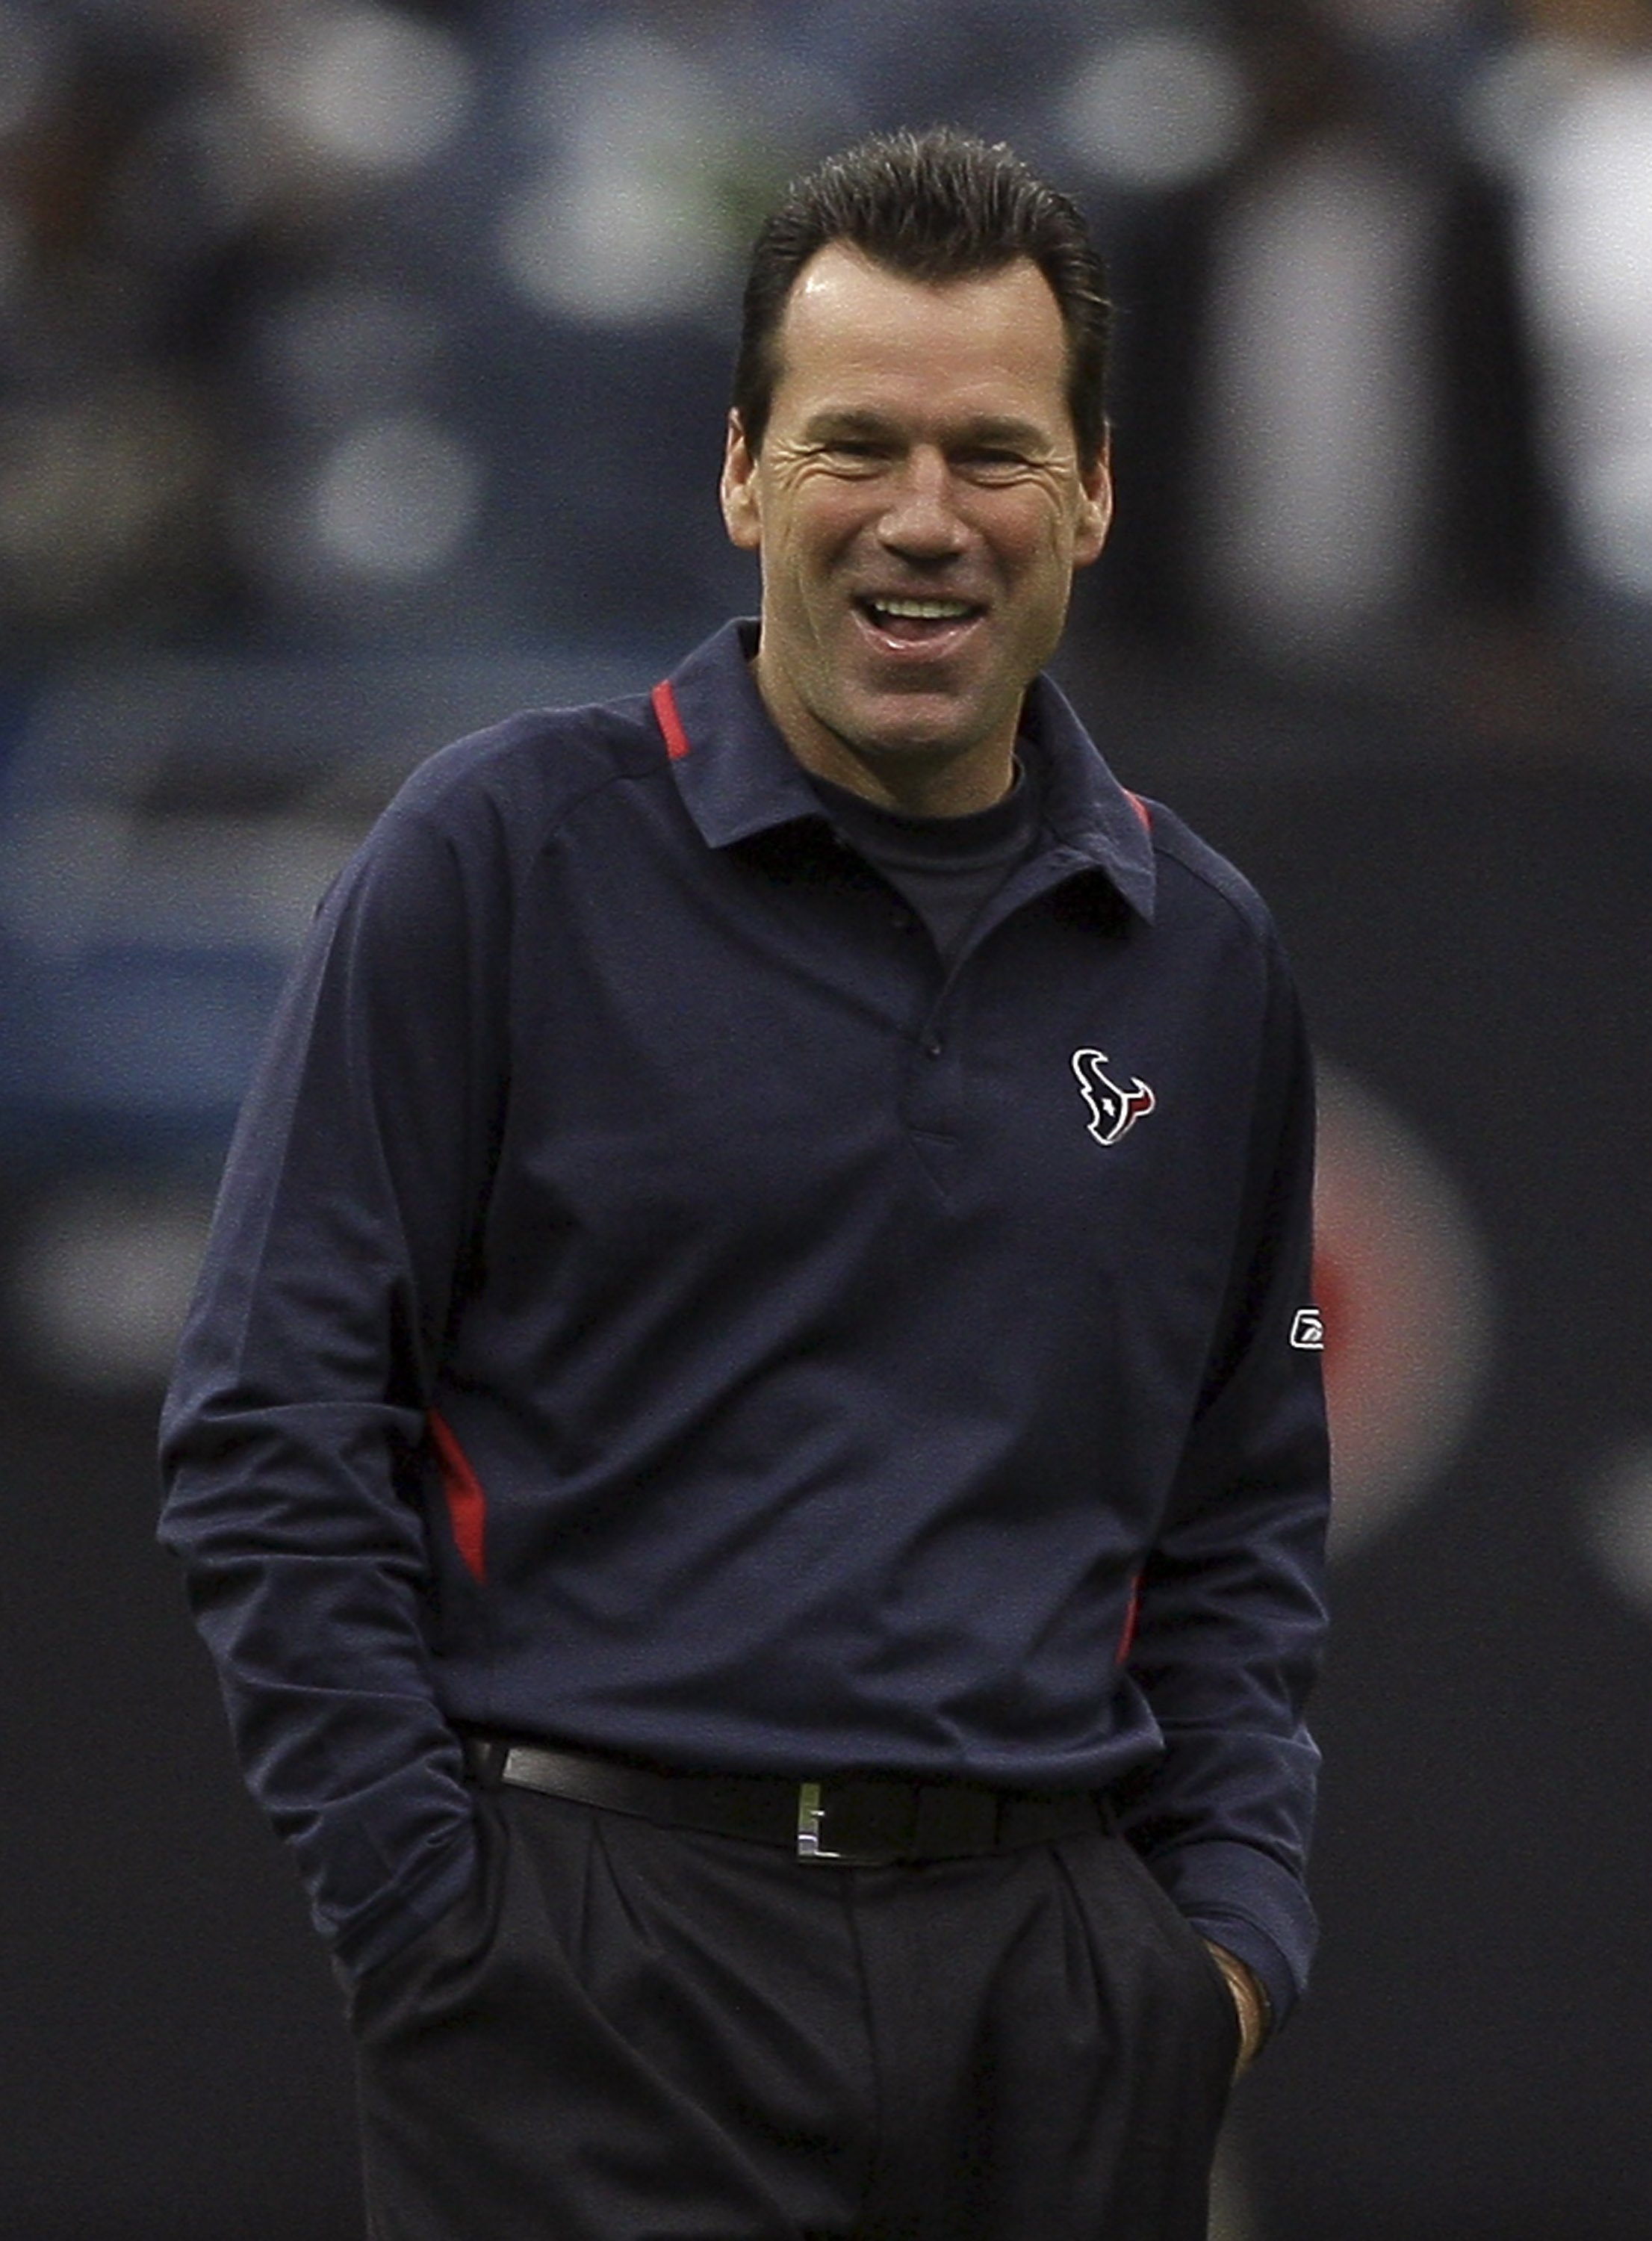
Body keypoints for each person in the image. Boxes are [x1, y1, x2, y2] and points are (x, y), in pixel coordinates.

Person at [159, 128, 1330, 2241]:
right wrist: (430, 1924)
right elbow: (268, 1420)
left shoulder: (1203, 952)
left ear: (1090, 495)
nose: (920, 520)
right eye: (851, 444)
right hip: (585, 1983)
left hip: (1053, 2003)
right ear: (737, 475)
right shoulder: (498, 856)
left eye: (989, 455)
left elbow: (1241, 1505)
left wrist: (1213, 1950)